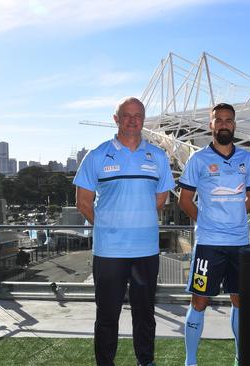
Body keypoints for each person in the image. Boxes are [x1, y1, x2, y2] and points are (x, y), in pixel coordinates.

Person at [74, 97, 175, 366]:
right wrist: (109, 226)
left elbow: (160, 197)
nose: (132, 120)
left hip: (146, 250)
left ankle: (146, 361)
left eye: (138, 115)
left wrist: (134, 218)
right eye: (126, 115)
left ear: (144, 119)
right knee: (107, 316)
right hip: (109, 252)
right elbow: (83, 202)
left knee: (145, 315)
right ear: (116, 119)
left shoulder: (158, 156)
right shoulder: (96, 155)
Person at [178, 103, 250, 366]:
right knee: (199, 301)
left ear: (234, 125)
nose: (224, 124)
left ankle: (239, 358)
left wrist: (234, 215)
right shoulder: (198, 159)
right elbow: (185, 200)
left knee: (240, 301)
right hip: (209, 244)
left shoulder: (246, 159)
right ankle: (191, 362)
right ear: (211, 125)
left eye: (228, 120)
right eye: (219, 120)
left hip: (239, 243)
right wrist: (208, 220)